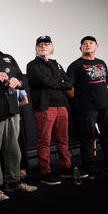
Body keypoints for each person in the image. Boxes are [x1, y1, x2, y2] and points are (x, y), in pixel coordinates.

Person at [0, 24, 37, 202]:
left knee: (14, 150)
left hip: (12, 110)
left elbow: (23, 78)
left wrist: (17, 82)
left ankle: (14, 182)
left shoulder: (8, 58)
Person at [27, 36, 88, 185]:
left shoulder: (57, 64)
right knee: (44, 141)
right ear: (36, 48)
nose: (43, 47)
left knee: (63, 140)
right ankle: (45, 172)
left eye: (46, 44)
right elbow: (42, 81)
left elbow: (68, 83)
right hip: (44, 107)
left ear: (51, 47)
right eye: (40, 45)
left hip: (61, 106)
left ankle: (66, 168)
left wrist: (55, 82)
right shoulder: (32, 65)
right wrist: (58, 81)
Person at [67, 36, 108, 175]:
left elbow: (104, 83)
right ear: (80, 48)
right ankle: (89, 163)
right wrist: (79, 100)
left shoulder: (101, 63)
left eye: (91, 43)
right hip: (86, 107)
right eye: (85, 44)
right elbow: (68, 87)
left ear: (96, 46)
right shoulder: (75, 65)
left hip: (104, 104)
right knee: (87, 135)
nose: (88, 45)